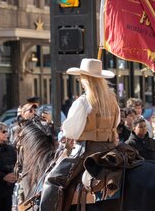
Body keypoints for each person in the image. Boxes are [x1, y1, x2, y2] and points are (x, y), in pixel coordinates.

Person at [40, 58, 120, 211]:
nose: (80, 80)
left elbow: (71, 131)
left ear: (86, 79)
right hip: (112, 148)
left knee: (53, 180)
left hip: (88, 150)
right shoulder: (113, 101)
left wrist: (65, 130)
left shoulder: (83, 101)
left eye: (82, 77)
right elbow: (116, 124)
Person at [0, 122, 17, 211]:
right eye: (4, 131)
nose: (7, 134)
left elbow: (16, 163)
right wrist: (3, 177)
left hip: (8, 189)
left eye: (7, 131)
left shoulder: (11, 148)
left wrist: (14, 174)